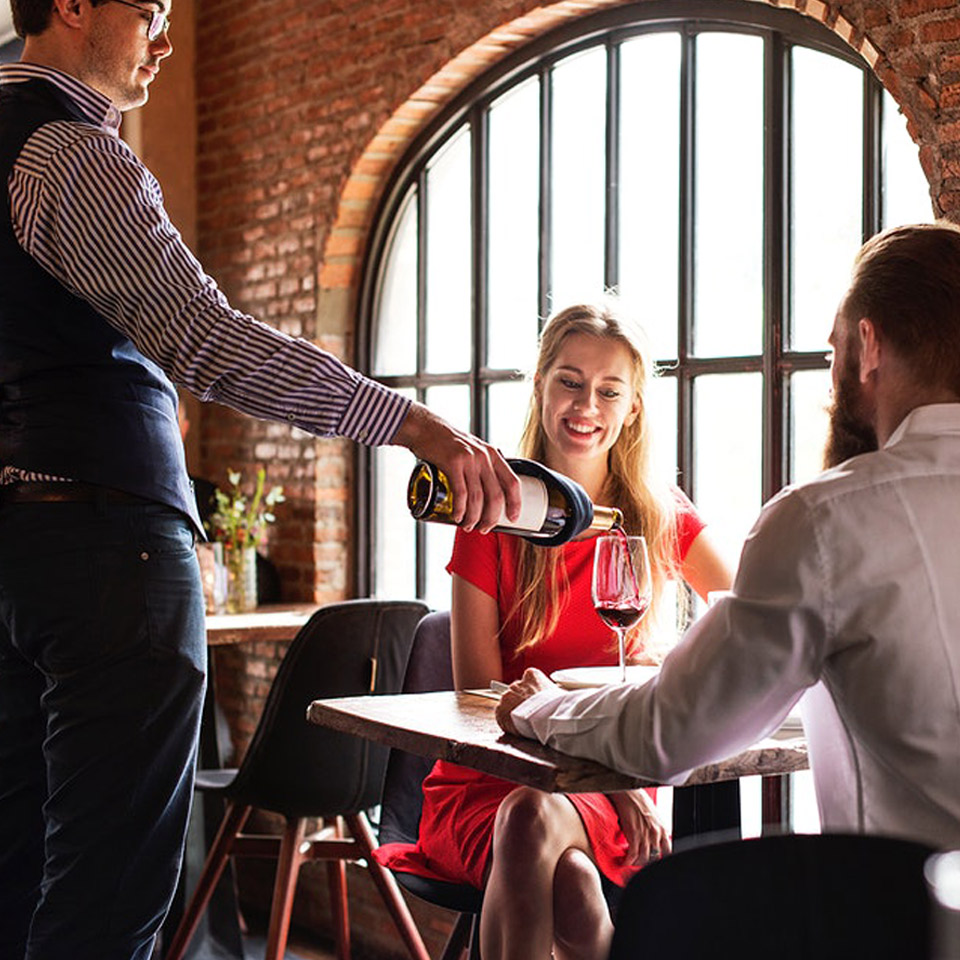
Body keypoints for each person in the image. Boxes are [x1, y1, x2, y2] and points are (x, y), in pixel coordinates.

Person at [0, 2, 521, 958]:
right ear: (72, 5)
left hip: (16, 563)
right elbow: (205, 341)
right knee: (105, 896)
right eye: (149, 10)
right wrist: (409, 423)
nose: (163, 36)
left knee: (17, 876)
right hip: (107, 558)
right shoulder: (72, 153)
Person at [496, 223, 960, 857]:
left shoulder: (826, 520)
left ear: (868, 345)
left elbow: (670, 733)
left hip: (910, 922)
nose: (830, 375)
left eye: (832, 351)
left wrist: (541, 708)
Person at [376, 302, 732, 960]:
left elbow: (746, 614)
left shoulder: (660, 517)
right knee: (546, 846)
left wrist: (671, 681)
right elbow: (482, 698)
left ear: (632, 409)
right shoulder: (490, 512)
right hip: (489, 780)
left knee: (538, 830)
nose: (584, 405)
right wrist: (620, 783)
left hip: (608, 780)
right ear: (539, 383)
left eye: (608, 390)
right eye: (569, 380)